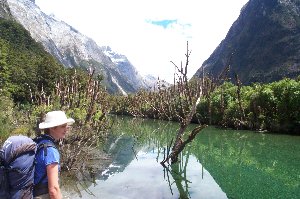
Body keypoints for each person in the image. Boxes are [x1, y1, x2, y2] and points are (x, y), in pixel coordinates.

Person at [33, 111, 74, 199]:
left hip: (31, 192)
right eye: (63, 126)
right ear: (52, 128)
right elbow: (53, 190)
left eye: (66, 126)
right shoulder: (51, 150)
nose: (66, 129)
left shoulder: (39, 141)